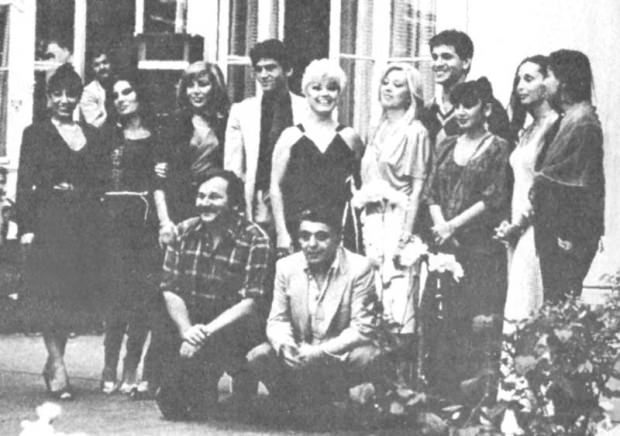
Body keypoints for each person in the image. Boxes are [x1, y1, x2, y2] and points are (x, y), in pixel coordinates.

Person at [16, 64, 106, 400]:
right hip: (48, 223)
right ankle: (58, 365)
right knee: (48, 294)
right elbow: (25, 183)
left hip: (82, 226)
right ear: (48, 97)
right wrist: (26, 228)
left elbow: (98, 184)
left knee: (70, 297)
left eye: (71, 94)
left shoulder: (92, 135)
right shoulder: (35, 133)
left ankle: (55, 362)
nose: (65, 100)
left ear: (79, 97)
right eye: (58, 94)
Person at [154, 169, 273, 421]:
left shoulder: (256, 239)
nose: (205, 203)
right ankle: (200, 383)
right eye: (201, 196)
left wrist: (204, 333)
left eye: (214, 197)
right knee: (173, 405)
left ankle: (243, 382)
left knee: (240, 412)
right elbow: (170, 288)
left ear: (234, 204)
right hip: (193, 324)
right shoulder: (183, 231)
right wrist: (187, 331)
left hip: (233, 327)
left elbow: (251, 302)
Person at [247, 207, 385, 411]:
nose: (312, 244)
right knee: (259, 355)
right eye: (305, 236)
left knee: (368, 355)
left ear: (338, 239)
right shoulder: (286, 266)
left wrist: (319, 352)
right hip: (300, 355)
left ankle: (331, 402)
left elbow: (362, 329)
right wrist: (286, 347)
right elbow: (277, 320)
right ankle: (294, 402)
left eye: (321, 237)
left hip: (336, 356)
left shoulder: (359, 268)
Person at [422, 78, 510, 397]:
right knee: (441, 317)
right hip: (444, 246)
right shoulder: (446, 144)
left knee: (474, 319)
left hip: (479, 248)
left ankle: (470, 398)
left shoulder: (498, 146)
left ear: (485, 109)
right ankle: (440, 393)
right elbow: (431, 192)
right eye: (457, 105)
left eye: (468, 105)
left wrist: (453, 226)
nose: (461, 112)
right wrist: (441, 227)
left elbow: (493, 197)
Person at [99, 73, 161, 396]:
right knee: (116, 297)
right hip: (113, 225)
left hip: (145, 225)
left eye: (127, 92)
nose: (121, 99)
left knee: (142, 298)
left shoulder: (157, 136)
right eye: (115, 95)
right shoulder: (107, 135)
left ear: (140, 93)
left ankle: (131, 363)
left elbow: (162, 178)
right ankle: (109, 364)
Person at [358, 63, 430, 335]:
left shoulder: (415, 132)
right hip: (371, 218)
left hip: (398, 219)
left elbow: (418, 187)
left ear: (411, 93)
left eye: (398, 85)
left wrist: (405, 236)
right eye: (386, 83)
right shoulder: (375, 127)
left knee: (397, 298)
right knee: (372, 296)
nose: (388, 89)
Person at [531, 49, 604, 303]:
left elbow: (577, 184)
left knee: (561, 304)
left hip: (567, 233)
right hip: (555, 228)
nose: (544, 83)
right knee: (554, 301)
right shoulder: (570, 119)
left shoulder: (582, 122)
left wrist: (568, 234)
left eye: (549, 75)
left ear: (564, 81)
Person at [270, 59, 363, 255]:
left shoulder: (350, 138)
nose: (324, 94)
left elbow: (360, 186)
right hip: (298, 229)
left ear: (339, 93)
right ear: (306, 92)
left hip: (339, 230)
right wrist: (281, 232)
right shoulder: (290, 136)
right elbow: (276, 187)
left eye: (332, 88)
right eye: (316, 88)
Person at [495, 56, 559, 330]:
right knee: (518, 302)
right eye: (518, 79)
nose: (520, 86)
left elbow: (545, 188)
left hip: (535, 227)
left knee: (530, 300)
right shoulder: (527, 129)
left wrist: (520, 224)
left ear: (547, 83)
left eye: (529, 79)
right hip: (517, 228)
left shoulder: (555, 126)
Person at [224, 39, 308, 233]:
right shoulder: (242, 111)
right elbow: (233, 168)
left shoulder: (307, 109)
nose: (263, 75)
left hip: (299, 201)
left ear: (288, 70)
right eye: (258, 69)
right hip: (259, 204)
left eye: (270, 68)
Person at [155, 61, 230, 246]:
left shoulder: (226, 123)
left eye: (202, 84)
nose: (195, 91)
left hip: (213, 207)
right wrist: (165, 222)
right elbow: (158, 181)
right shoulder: (174, 122)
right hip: (178, 207)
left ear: (215, 87)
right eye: (190, 86)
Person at [423, 30, 511, 145]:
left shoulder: (486, 108)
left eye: (446, 57)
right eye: (435, 57)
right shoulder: (427, 110)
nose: (438, 64)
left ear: (465, 63)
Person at [80, 48, 113, 129]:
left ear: (111, 64)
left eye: (105, 62)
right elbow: (95, 124)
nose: (102, 67)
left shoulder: (119, 85)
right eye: (97, 65)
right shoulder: (88, 92)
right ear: (92, 69)